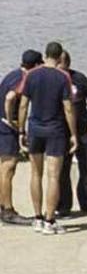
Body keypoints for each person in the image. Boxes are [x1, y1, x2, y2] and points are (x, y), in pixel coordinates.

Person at [17, 42, 77, 235]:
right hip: (55, 129)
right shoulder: (63, 77)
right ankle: (50, 220)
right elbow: (68, 107)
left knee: (36, 174)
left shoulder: (31, 75)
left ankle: (37, 218)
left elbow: (24, 105)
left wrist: (21, 130)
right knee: (53, 176)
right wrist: (74, 134)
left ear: (45, 54)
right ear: (60, 57)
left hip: (35, 128)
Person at [0, 50, 43, 225]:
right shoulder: (24, 79)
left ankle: (3, 207)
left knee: (3, 167)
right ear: (36, 66)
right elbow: (10, 98)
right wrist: (12, 121)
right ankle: (8, 210)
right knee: (8, 168)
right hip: (7, 127)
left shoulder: (12, 74)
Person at [57, 50, 87, 216]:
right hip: (62, 130)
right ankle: (64, 205)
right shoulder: (55, 80)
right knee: (62, 169)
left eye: (62, 65)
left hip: (83, 128)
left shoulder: (79, 78)